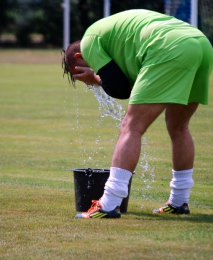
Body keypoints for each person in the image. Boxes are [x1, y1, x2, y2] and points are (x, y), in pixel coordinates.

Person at [62, 9, 213, 219]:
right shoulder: (111, 38)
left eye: (79, 71)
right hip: (200, 43)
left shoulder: (89, 41)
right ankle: (179, 201)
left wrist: (95, 78)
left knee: (130, 127)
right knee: (178, 127)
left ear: (79, 57)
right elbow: (127, 82)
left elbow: (119, 89)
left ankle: (109, 203)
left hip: (168, 46)